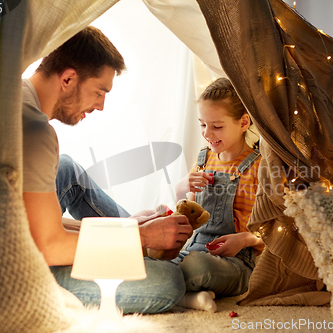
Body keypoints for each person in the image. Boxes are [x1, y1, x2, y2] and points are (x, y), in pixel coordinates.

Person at [22, 26, 193, 314]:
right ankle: (144, 250)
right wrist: (144, 238)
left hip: (12, 233)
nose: (100, 106)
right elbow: (47, 245)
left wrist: (126, 227)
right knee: (168, 282)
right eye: (99, 92)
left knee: (66, 168)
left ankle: (135, 240)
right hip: (12, 269)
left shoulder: (15, 97)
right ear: (68, 78)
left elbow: (34, 221)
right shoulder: (34, 131)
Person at [173, 78, 264, 312]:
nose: (207, 133)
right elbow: (189, 217)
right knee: (150, 261)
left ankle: (184, 292)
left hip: (238, 261)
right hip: (195, 247)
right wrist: (182, 189)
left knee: (196, 267)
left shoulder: (259, 167)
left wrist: (245, 239)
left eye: (217, 126)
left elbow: (275, 229)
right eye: (203, 124)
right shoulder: (203, 160)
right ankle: (192, 298)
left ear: (244, 122)